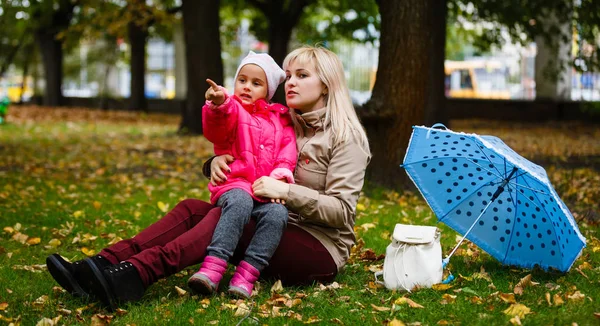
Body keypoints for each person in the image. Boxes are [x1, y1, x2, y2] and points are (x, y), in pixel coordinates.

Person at [45, 46, 370, 311]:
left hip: (318, 247)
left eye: (302, 76)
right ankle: (101, 264)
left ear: (326, 84)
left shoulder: (346, 137)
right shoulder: (288, 125)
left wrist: (285, 191)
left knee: (226, 217)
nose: (291, 84)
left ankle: (136, 274)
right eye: (288, 77)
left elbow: (342, 211)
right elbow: (252, 153)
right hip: (273, 221)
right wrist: (214, 162)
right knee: (191, 208)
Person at [187, 51, 297, 299]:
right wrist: (218, 103)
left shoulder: (279, 120)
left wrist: (280, 176)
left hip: (264, 190)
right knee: (240, 200)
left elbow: (287, 152)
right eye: (242, 80)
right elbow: (217, 126)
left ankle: (247, 275)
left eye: (256, 83)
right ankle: (213, 267)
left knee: (278, 214)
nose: (247, 87)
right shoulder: (233, 110)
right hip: (234, 184)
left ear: (267, 91)